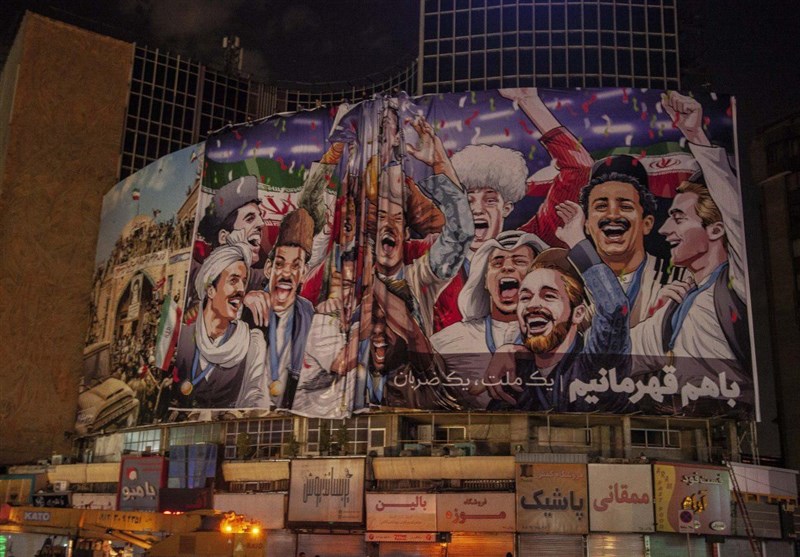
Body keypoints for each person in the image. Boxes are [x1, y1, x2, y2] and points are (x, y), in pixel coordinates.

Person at [628, 91, 752, 414]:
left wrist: (696, 136)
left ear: (716, 229)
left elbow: (734, 212)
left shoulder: (738, 286)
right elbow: (614, 357)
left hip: (735, 426)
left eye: (679, 218)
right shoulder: (674, 308)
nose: (665, 230)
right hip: (689, 430)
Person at [431, 88, 593, 331]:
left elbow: (579, 168)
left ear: (506, 207)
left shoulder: (532, 242)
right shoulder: (435, 254)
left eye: (489, 200)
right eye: (468, 200)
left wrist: (529, 102)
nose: (477, 209)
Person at [485, 201, 631, 412]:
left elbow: (615, 307)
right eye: (525, 297)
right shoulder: (514, 379)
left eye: (549, 296)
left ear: (578, 313)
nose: (533, 305)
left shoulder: (594, 365)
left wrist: (577, 241)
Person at [373, 114, 474, 337]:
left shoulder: (418, 273)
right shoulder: (350, 272)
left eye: (397, 218)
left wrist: (440, 164)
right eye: (381, 217)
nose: (388, 224)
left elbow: (456, 231)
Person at [431, 230, 548, 408]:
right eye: (497, 263)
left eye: (519, 261)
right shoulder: (446, 342)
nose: (507, 267)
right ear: (485, 280)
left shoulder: (558, 336)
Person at [579, 154, 686, 326]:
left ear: (646, 223)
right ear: (586, 224)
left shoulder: (681, 278)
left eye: (625, 206)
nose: (612, 215)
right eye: (601, 206)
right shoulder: (570, 288)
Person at [173, 241, 268, 409]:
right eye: (233, 280)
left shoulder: (252, 343)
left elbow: (256, 399)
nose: (241, 289)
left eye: (244, 282)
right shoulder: (183, 338)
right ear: (210, 290)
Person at [242, 208, 316, 410]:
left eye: (296, 266)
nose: (286, 274)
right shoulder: (249, 305)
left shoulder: (307, 312)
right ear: (269, 268)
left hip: (287, 409)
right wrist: (242, 303)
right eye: (280, 264)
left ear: (304, 273)